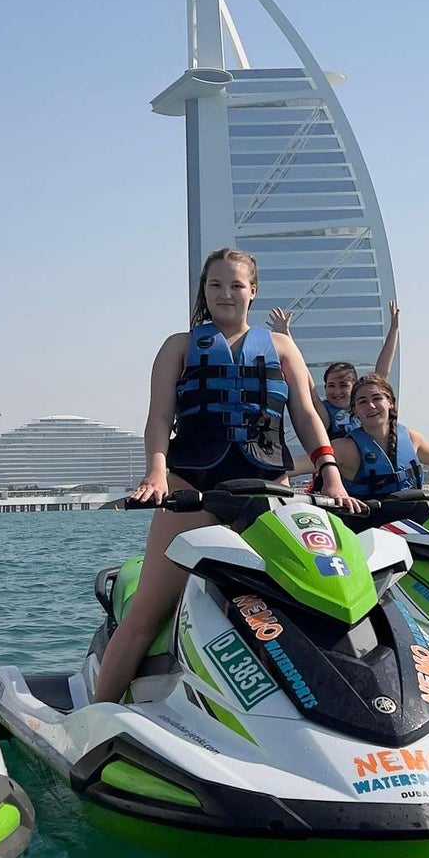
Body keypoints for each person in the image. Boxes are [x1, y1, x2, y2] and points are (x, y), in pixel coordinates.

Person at [91, 249, 356, 705]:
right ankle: (95, 718)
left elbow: (307, 416)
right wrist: (156, 473)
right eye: (215, 285)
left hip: (268, 490)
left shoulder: (281, 347)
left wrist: (329, 472)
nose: (225, 294)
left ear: (253, 291)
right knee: (146, 615)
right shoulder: (179, 345)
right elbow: (159, 416)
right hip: (192, 488)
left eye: (236, 285)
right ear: (204, 292)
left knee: (300, 605)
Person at [269, 300, 400, 438]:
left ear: (355, 387)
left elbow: (381, 374)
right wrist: (285, 335)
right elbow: (302, 374)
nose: (337, 391)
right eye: (331, 386)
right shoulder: (325, 412)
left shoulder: (364, 407)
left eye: (343, 385)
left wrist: (394, 329)